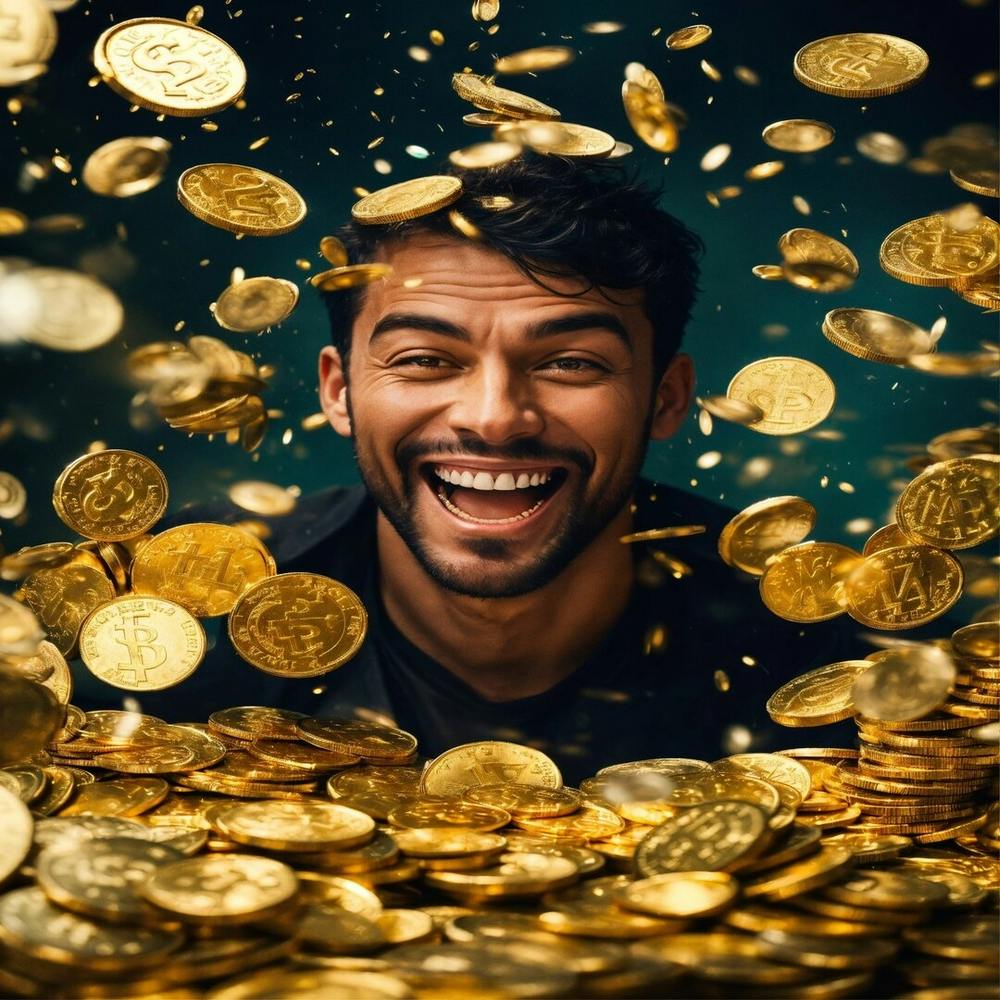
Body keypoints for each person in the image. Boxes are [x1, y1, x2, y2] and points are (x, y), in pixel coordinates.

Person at [77, 157, 859, 782]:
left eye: (571, 362)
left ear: (666, 397)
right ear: (339, 391)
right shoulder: (169, 624)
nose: (493, 417)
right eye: (424, 358)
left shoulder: (834, 654)